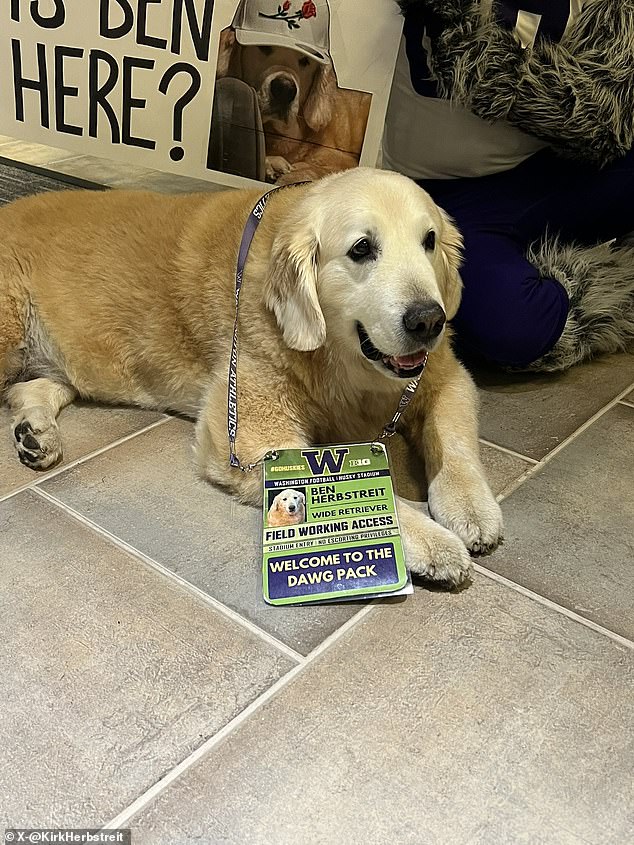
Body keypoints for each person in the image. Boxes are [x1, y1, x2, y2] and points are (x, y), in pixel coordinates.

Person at [383, 0, 634, 371]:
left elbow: (600, 118)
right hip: (437, 196)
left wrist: (485, 62)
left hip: (552, 165)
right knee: (515, 326)